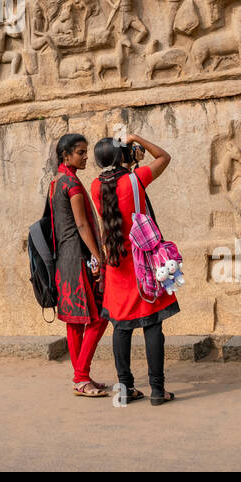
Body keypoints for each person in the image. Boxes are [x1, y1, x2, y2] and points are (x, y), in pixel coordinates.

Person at [92, 133, 177, 405]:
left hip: (117, 264)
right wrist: (136, 139)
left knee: (121, 326)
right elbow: (164, 157)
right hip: (144, 262)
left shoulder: (95, 186)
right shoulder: (135, 179)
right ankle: (156, 390)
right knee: (152, 325)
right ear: (123, 156)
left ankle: (126, 389)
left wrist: (127, 160)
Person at [49, 133, 109, 397]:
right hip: (78, 257)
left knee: (74, 322)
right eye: (81, 152)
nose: (86, 157)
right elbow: (83, 225)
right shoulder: (71, 185)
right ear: (66, 156)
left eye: (85, 152)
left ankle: (80, 379)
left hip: (64, 259)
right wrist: (98, 256)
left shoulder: (56, 182)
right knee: (100, 315)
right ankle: (81, 376)